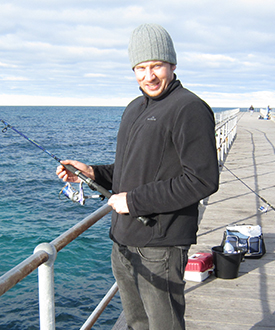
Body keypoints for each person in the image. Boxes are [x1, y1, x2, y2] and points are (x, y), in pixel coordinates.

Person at [56, 23, 219, 330]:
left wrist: (133, 201)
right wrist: (92, 173)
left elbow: (202, 179)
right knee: (136, 325)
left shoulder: (189, 108)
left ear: (172, 64)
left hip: (161, 245)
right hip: (123, 242)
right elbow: (131, 170)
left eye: (156, 65)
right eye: (141, 67)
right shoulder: (134, 108)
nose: (149, 76)